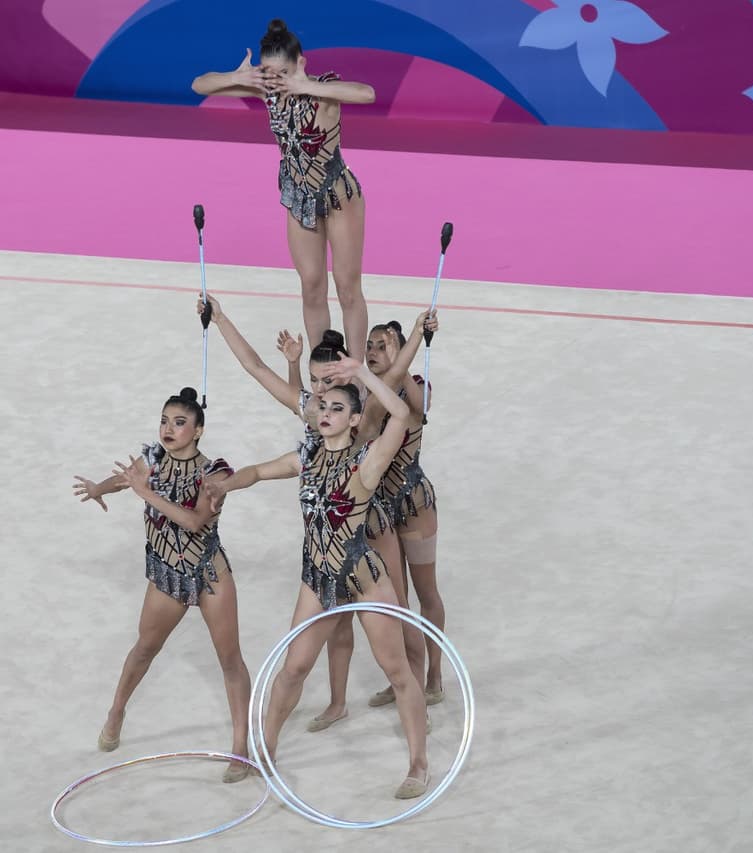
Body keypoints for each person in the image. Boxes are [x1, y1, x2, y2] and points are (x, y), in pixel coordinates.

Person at [204, 358, 430, 799]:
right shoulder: (306, 458)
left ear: (355, 418)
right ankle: (262, 748)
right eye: (322, 406)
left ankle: (418, 762)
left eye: (337, 408)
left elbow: (401, 416)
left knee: (398, 671)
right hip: (318, 577)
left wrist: (362, 375)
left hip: (361, 576)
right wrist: (224, 487)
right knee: (293, 668)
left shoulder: (366, 462)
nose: (325, 412)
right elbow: (256, 471)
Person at [71, 388, 252, 783]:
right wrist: (100, 488)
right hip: (167, 574)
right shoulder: (153, 457)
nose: (169, 429)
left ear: (199, 430)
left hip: (208, 574)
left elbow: (193, 522)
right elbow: (127, 478)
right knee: (144, 649)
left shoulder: (215, 471)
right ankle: (116, 710)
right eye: (164, 421)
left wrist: (144, 492)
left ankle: (241, 747)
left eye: (180, 422)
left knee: (230, 660)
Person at [191, 18, 376, 353]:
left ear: (300, 63)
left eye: (283, 73)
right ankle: (324, 373)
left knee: (347, 288)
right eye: (268, 72)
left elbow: (366, 93)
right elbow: (199, 85)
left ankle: (357, 373)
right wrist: (237, 77)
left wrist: (307, 86)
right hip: (298, 199)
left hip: (338, 196)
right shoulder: (268, 92)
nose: (276, 81)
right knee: (311, 287)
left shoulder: (325, 88)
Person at [357, 317, 447, 707]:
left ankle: (435, 676)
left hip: (413, 505)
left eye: (382, 345)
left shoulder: (415, 386)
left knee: (426, 593)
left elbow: (419, 406)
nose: (373, 352)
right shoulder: (363, 394)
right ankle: (404, 678)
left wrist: (405, 358)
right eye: (370, 346)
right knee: (398, 600)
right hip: (380, 512)